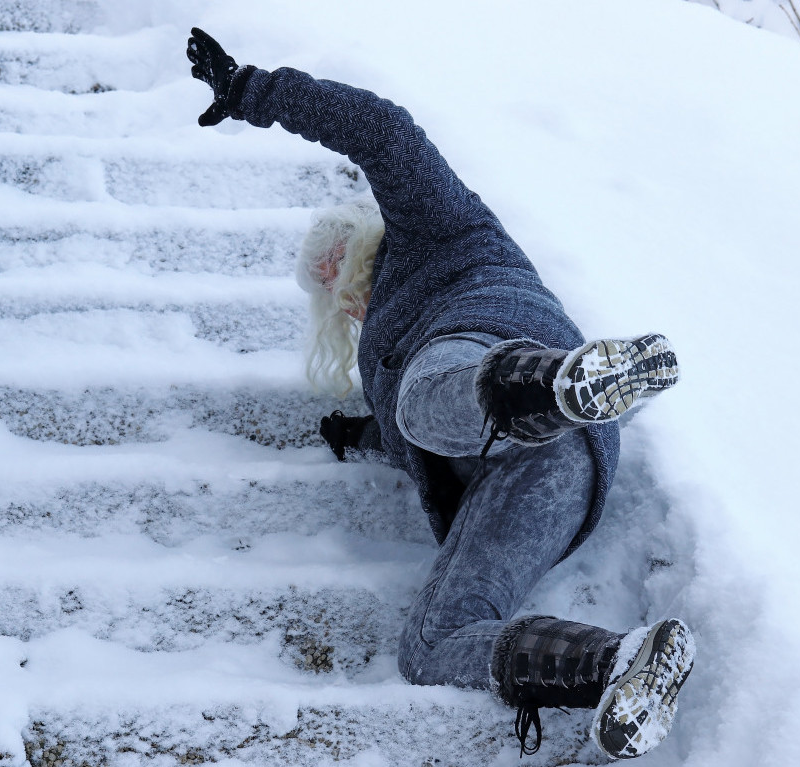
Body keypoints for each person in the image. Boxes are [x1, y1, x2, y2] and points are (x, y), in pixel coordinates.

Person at [187, 28, 694, 759]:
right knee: (429, 644)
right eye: (326, 296)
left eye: (331, 267)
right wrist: (355, 435)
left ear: (359, 236)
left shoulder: (436, 234)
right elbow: (409, 439)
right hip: (552, 473)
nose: (339, 296)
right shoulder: (384, 361)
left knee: (423, 395)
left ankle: (564, 384)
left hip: (489, 340)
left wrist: (252, 92)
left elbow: (384, 133)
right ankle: (621, 663)